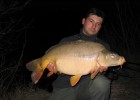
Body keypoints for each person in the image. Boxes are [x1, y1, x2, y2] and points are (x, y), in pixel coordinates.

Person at [48, 8, 111, 100]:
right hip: (64, 86)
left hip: (87, 86)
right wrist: (57, 70)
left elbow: (102, 74)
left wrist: (102, 70)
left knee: (102, 83)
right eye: (91, 21)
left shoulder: (104, 46)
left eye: (98, 24)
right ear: (83, 21)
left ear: (100, 27)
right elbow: (59, 71)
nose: (94, 26)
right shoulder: (66, 41)